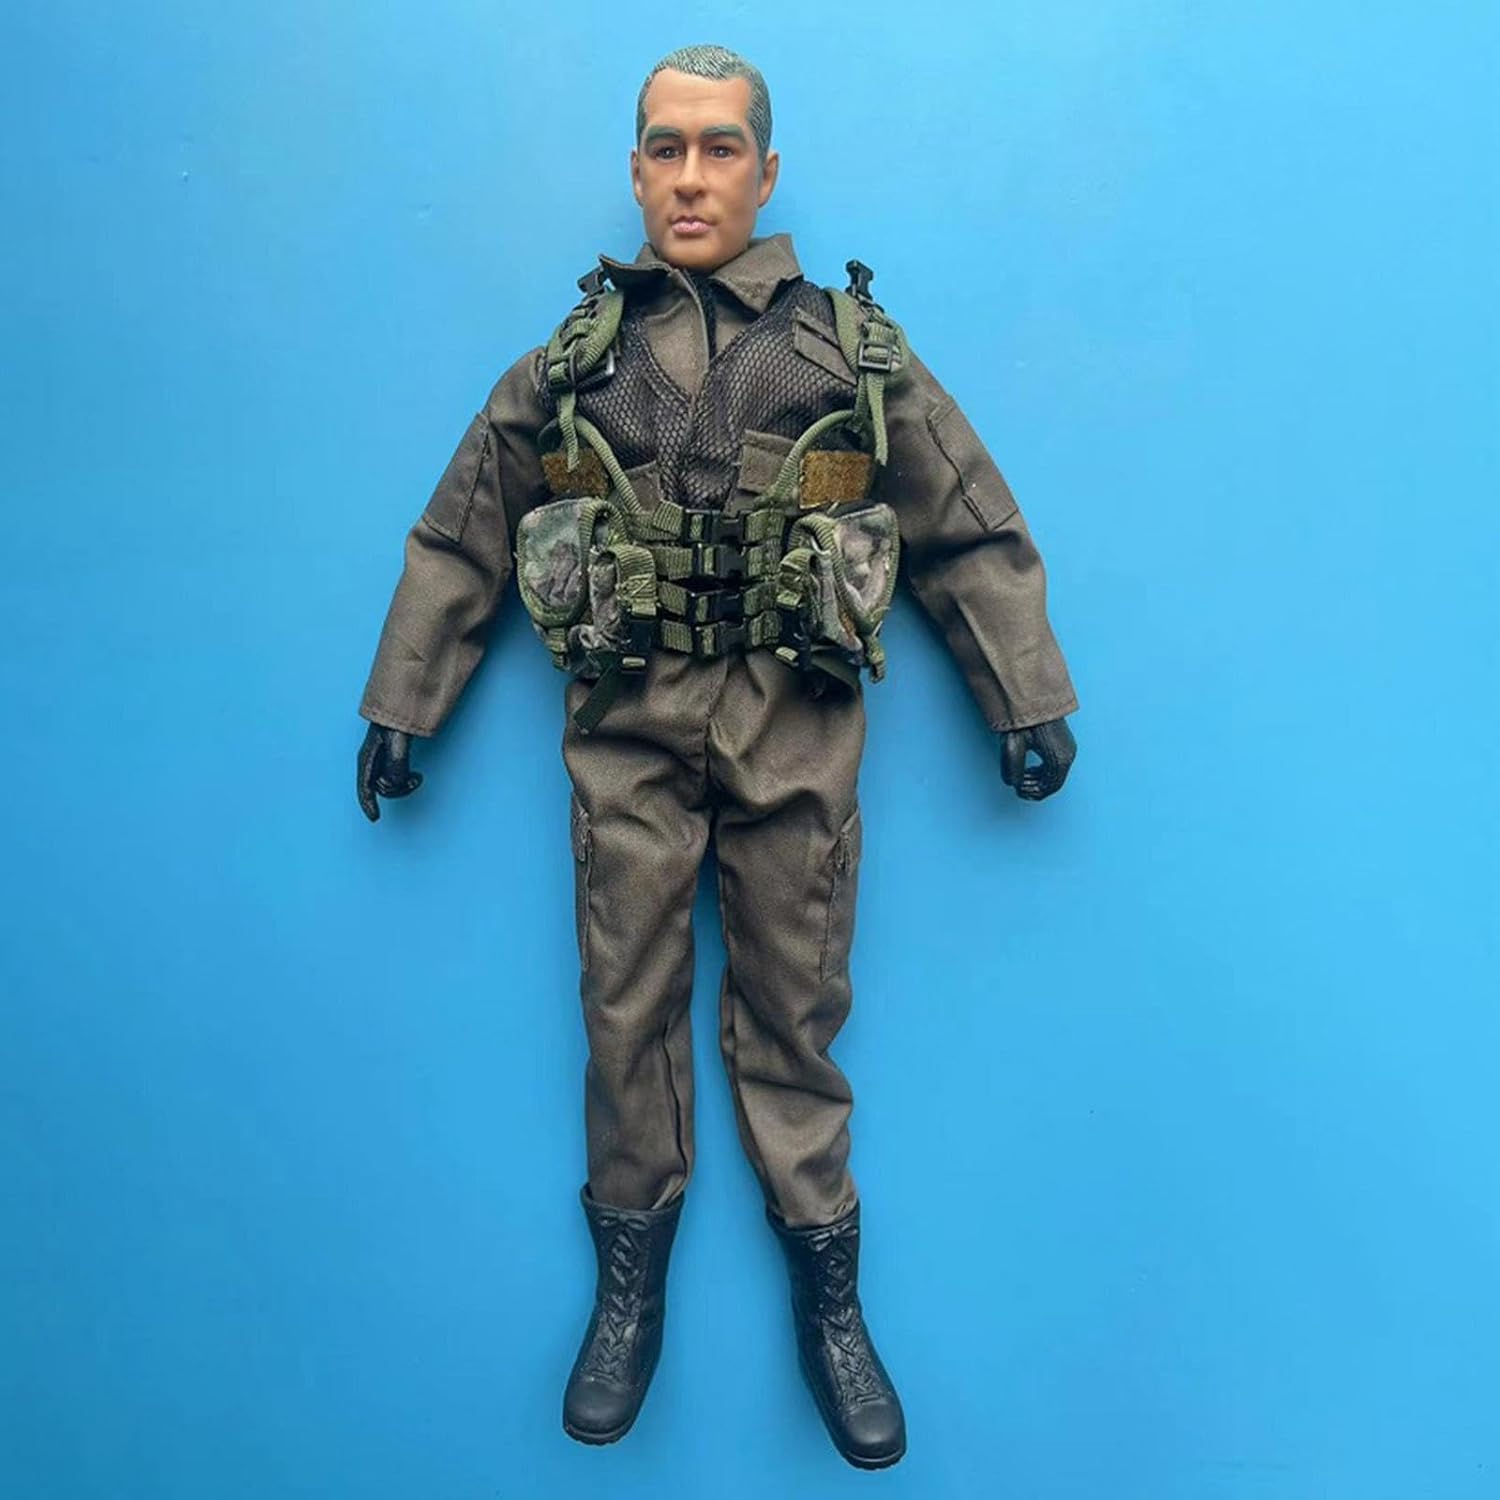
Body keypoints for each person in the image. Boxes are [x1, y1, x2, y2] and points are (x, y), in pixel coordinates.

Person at [355, 43, 1078, 1470]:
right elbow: (463, 533)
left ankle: (829, 1295)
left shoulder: (846, 348)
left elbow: (965, 520)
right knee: (622, 1004)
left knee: (795, 1006)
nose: (692, 178)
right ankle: (629, 1286)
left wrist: (1023, 691)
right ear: (634, 171)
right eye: (666, 149)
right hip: (626, 724)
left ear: (766, 170)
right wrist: (405, 700)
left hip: (793, 719)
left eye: (721, 148)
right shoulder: (575, 361)